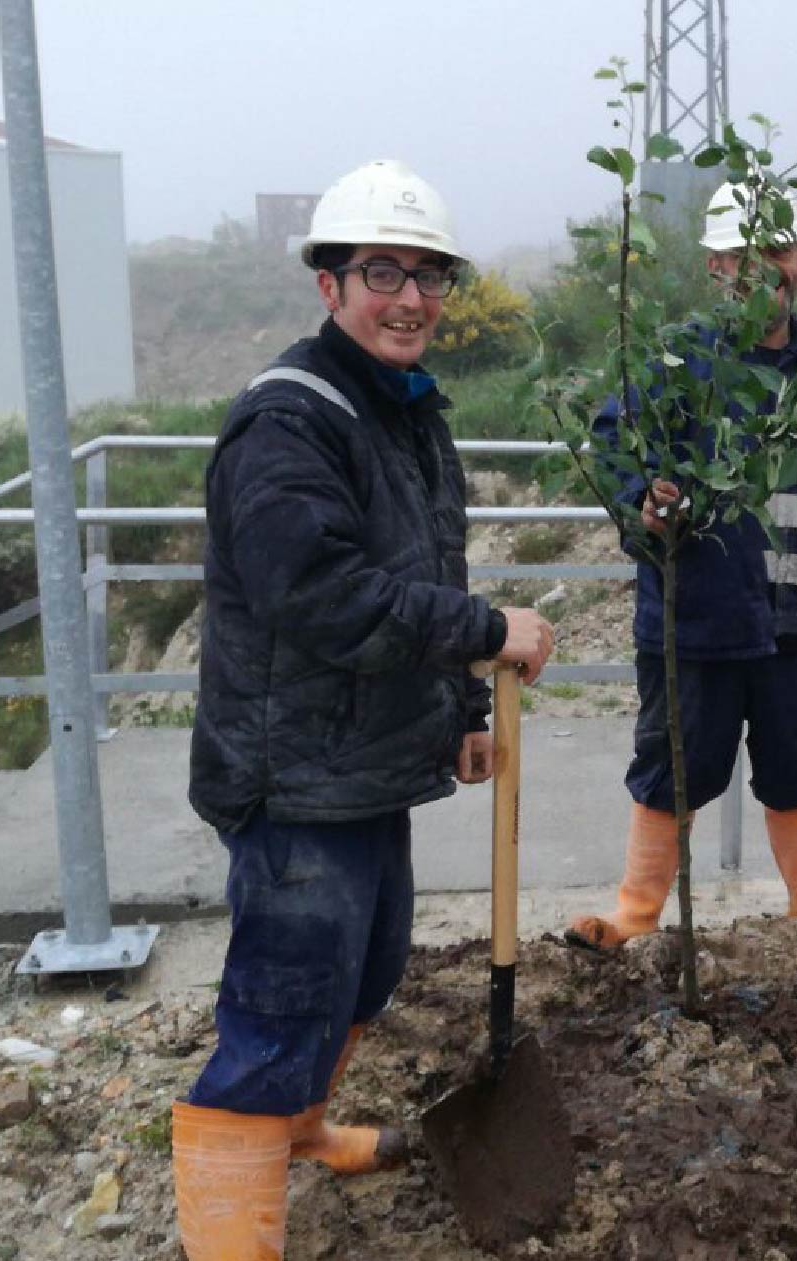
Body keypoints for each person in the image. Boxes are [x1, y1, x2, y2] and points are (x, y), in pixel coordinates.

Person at [170, 159, 556, 1260]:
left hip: (364, 762)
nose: (412, 297)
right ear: (327, 284)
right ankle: (235, 1210)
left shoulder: (403, 414)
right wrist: (486, 633)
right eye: (382, 270)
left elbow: (411, 564)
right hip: (291, 772)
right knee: (286, 996)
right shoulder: (289, 424)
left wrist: (457, 718)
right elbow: (320, 594)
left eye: (430, 275)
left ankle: (294, 1131)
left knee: (367, 966)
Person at [568, 182, 797, 951]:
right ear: (716, 266)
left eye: (776, 253)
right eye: (742, 257)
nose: (761, 272)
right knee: (674, 762)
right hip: (703, 613)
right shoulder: (679, 359)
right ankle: (637, 914)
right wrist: (639, 506)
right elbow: (615, 443)